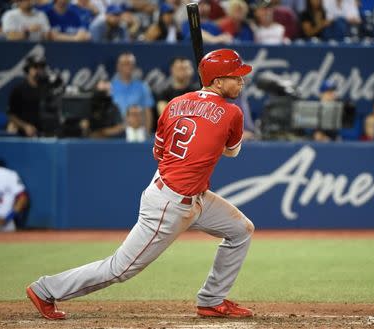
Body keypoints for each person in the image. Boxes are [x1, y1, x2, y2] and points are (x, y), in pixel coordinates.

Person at [26, 48, 255, 320]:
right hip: (169, 205)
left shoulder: (175, 103)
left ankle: (211, 300)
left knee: (241, 230)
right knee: (120, 268)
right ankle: (45, 289)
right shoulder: (232, 113)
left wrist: (200, 117)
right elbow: (231, 152)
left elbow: (158, 153)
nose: (242, 81)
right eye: (236, 77)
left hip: (190, 195)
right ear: (217, 82)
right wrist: (210, 124)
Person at [111, 52, 155, 134]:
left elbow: (147, 112)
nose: (128, 67)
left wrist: (147, 133)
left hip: (138, 132)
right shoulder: (110, 87)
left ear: (134, 66)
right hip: (116, 132)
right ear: (118, 66)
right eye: (125, 64)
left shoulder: (143, 86)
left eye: (130, 64)